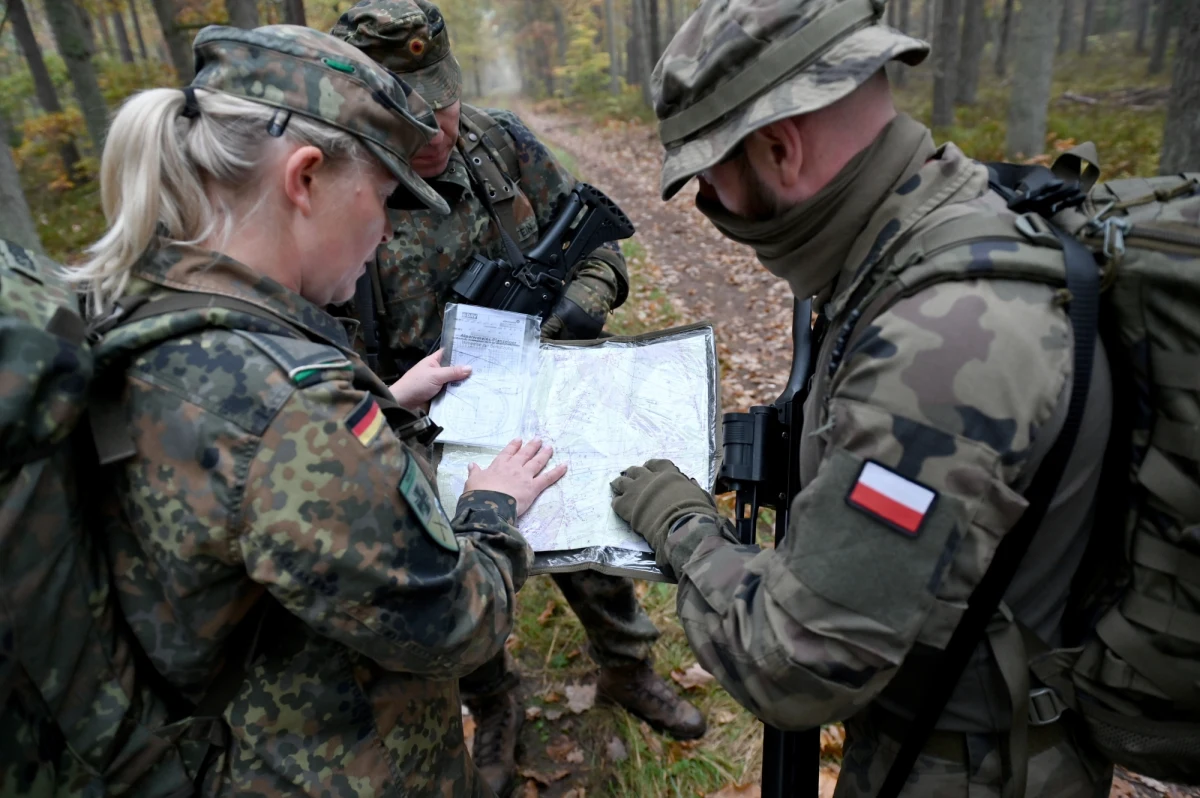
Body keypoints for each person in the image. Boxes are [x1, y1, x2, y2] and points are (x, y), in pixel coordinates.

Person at [611, 0, 1117, 796]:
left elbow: (797, 664)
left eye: (711, 182)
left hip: (972, 765)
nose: (714, 210)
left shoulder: (937, 345)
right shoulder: (940, 219)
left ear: (779, 148)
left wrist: (679, 523)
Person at [72, 23, 565, 797]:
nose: (385, 228)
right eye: (382, 197)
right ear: (304, 178)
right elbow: (459, 623)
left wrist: (386, 403)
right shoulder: (290, 409)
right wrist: (494, 508)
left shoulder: (148, 304)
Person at [329, 1, 706, 792]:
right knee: (458, 576)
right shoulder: (335, 188)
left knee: (587, 534)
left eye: (444, 102)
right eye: (409, 114)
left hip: (542, 391)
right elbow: (322, 358)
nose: (434, 130)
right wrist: (393, 406)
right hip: (417, 423)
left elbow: (601, 248)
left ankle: (627, 667)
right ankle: (494, 701)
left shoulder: (500, 145)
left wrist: (581, 306)